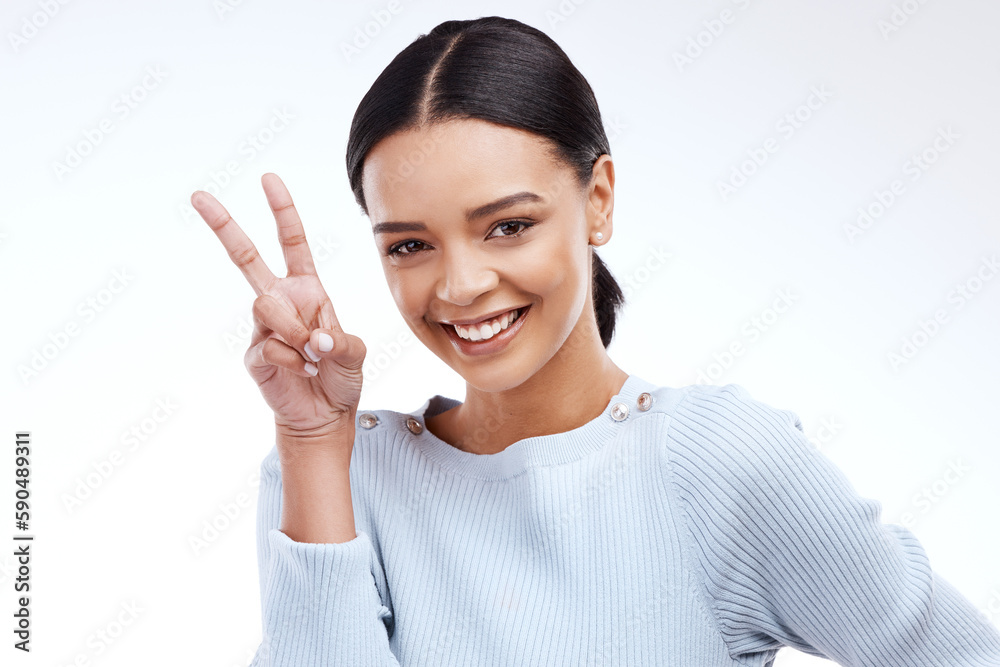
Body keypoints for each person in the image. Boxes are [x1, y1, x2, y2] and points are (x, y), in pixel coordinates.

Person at [191, 16, 1000, 667]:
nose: (460, 284)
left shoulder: (716, 461)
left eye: (508, 225)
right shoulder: (340, 469)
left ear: (599, 200)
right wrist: (307, 438)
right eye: (409, 244)